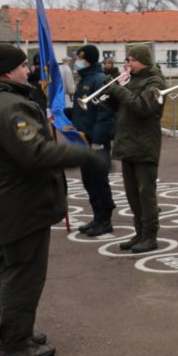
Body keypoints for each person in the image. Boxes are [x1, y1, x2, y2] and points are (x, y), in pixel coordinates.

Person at [0, 43, 101, 356]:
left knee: (9, 265)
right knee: (24, 271)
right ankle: (14, 341)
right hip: (20, 201)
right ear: (8, 70)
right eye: (23, 66)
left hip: (2, 199)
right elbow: (34, 153)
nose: (29, 71)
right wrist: (84, 155)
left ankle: (11, 325)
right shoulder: (7, 106)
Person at [103, 44, 166, 253]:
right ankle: (139, 232)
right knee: (132, 194)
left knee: (146, 194)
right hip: (127, 143)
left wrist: (119, 91)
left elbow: (143, 107)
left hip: (144, 144)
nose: (127, 64)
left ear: (142, 61)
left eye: (131, 60)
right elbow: (117, 107)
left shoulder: (155, 82)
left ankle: (150, 235)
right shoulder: (131, 79)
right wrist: (109, 93)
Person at [71, 44, 118, 237]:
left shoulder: (99, 80)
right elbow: (84, 111)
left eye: (79, 58)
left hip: (96, 140)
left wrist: (99, 141)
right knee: (88, 180)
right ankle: (97, 216)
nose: (76, 62)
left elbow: (105, 113)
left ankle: (105, 220)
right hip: (83, 139)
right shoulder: (84, 79)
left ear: (87, 59)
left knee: (99, 180)